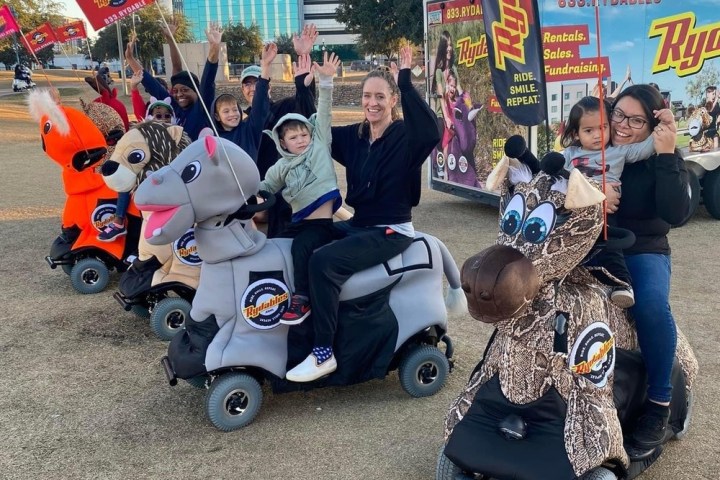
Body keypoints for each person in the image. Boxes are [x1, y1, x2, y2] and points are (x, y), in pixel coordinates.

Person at [285, 46, 440, 382]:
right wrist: (306, 85)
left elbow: (431, 131)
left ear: (392, 101)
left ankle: (323, 352)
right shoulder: (355, 135)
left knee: (324, 262)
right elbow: (315, 131)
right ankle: (302, 308)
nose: (373, 102)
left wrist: (406, 82)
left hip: (391, 230)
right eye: (367, 96)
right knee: (304, 238)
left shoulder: (405, 137)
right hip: (359, 224)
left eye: (380, 97)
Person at [603, 84, 690, 450]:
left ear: (652, 124)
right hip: (597, 248)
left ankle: (659, 404)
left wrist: (668, 154)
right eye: (618, 114)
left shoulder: (663, 158)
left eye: (636, 120)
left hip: (643, 250)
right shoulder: (598, 149)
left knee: (652, 305)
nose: (622, 125)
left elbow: (676, 214)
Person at [560, 95, 675, 307]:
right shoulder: (569, 154)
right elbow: (554, 178)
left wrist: (665, 125)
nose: (597, 135)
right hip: (574, 214)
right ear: (576, 133)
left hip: (606, 214)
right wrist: (594, 191)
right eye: (589, 130)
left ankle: (622, 284)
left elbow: (645, 149)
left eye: (603, 127)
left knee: (609, 248)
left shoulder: (618, 152)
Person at [258, 51, 343, 326]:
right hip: (297, 222)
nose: (301, 140)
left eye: (304, 133)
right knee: (274, 244)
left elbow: (325, 112)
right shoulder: (283, 165)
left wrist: (326, 82)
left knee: (301, 249)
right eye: (293, 137)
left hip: (320, 224)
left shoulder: (319, 143)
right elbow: (266, 185)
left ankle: (302, 297)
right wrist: (247, 192)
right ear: (282, 143)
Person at [242, 24, 319, 238]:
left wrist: (304, 55)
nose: (252, 88)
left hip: (284, 189)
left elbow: (306, 103)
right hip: (254, 189)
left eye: (257, 83)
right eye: (247, 84)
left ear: (268, 86)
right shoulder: (241, 121)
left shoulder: (283, 108)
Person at [126, 22, 223, 140]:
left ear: (197, 91)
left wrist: (214, 48)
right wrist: (130, 59)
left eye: (185, 90)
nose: (179, 94)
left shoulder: (202, 106)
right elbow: (148, 81)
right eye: (175, 91)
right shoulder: (173, 106)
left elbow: (208, 79)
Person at [207, 43, 274, 160]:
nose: (232, 114)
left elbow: (258, 106)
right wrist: (214, 50)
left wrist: (266, 68)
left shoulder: (249, 130)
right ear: (217, 116)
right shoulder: (215, 139)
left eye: (235, 110)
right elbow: (206, 88)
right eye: (226, 111)